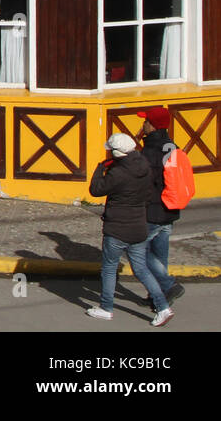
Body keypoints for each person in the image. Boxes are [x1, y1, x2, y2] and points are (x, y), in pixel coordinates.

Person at [87, 132, 174, 326]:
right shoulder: (144, 166)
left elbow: (96, 189)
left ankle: (106, 308)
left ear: (116, 154)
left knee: (109, 269)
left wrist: (99, 169)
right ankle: (163, 307)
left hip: (117, 229)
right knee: (142, 269)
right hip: (139, 227)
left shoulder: (117, 173)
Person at [137, 106, 186, 308]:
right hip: (170, 209)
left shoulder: (150, 151)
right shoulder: (171, 145)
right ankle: (157, 296)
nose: (143, 124)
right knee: (160, 255)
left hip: (153, 210)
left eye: (145, 121)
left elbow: (145, 181)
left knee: (138, 252)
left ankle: (168, 285)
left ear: (152, 125)